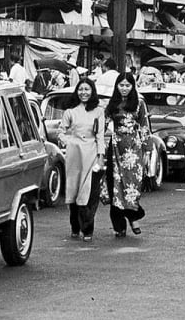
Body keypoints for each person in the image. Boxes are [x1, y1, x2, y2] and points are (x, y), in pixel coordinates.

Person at [58, 78, 106, 243]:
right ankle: (74, 227)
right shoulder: (70, 112)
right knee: (73, 191)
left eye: (87, 89)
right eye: (81, 89)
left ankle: (87, 228)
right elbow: (61, 132)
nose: (84, 92)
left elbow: (100, 136)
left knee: (89, 194)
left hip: (91, 155)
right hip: (74, 156)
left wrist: (100, 158)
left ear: (92, 91)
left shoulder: (99, 111)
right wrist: (69, 142)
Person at [104, 73, 149, 237]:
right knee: (115, 185)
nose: (124, 88)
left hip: (133, 149)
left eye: (127, 85)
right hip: (116, 148)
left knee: (131, 185)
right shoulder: (112, 104)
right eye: (121, 85)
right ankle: (119, 226)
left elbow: (144, 127)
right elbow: (101, 125)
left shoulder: (139, 103)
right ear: (116, 86)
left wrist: (147, 150)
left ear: (132, 87)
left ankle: (133, 217)